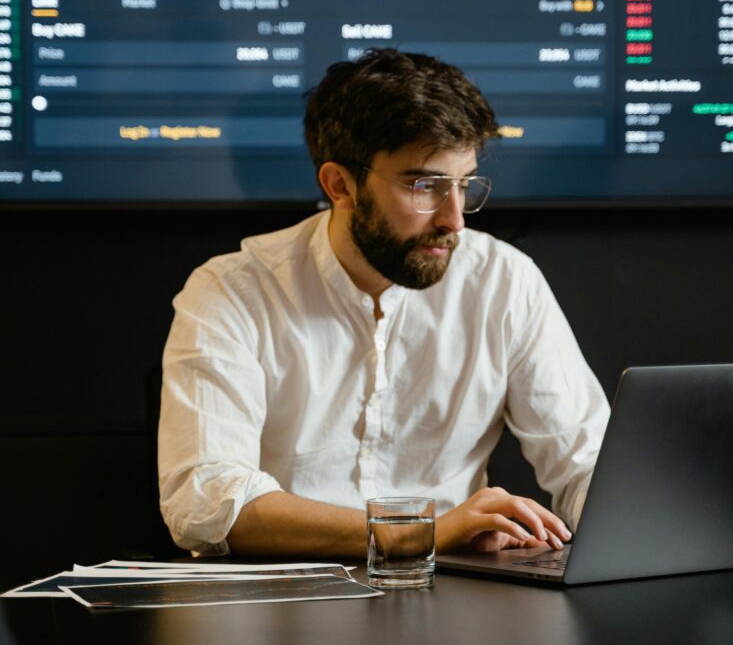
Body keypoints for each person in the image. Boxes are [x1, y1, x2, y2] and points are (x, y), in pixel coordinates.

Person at [158, 48, 610, 557]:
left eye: (464, 185)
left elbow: (590, 462)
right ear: (340, 185)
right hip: (284, 604)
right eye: (425, 185)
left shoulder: (505, 280)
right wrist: (416, 533)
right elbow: (206, 499)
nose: (454, 220)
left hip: (458, 597)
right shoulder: (231, 290)